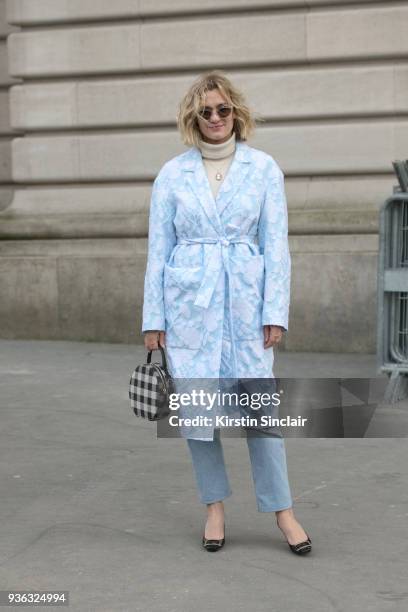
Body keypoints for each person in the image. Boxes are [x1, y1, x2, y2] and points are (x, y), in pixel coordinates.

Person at [142, 70, 312, 555]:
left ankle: (284, 512)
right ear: (193, 119)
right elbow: (159, 249)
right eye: (206, 112)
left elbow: (276, 246)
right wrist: (154, 319)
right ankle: (214, 506)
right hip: (188, 305)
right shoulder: (172, 174)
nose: (216, 118)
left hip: (244, 300)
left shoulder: (263, 169)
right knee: (197, 413)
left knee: (260, 410)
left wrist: (274, 309)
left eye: (223, 109)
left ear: (236, 112)